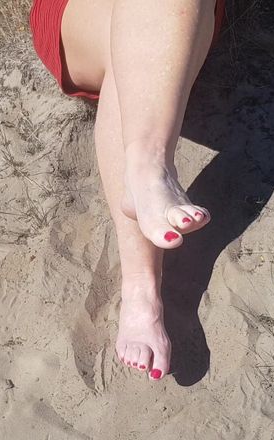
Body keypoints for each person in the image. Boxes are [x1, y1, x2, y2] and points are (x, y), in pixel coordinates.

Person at [30, 0, 225, 381]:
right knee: (129, 47)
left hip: (180, 18)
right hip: (84, 18)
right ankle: (149, 169)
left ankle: (141, 290)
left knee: (134, 55)